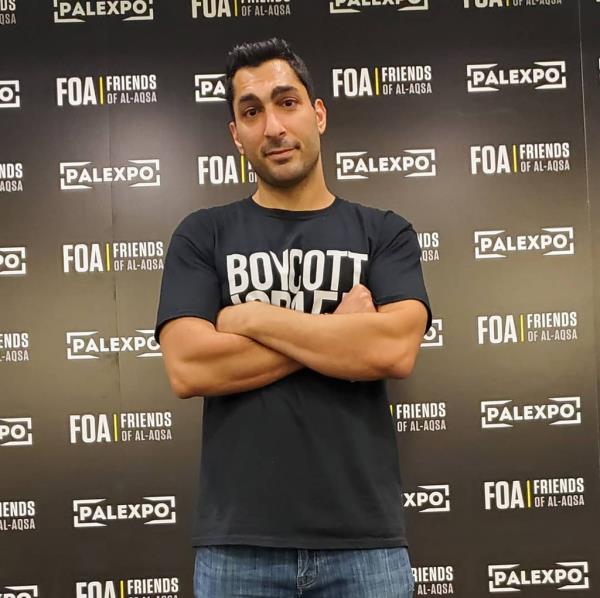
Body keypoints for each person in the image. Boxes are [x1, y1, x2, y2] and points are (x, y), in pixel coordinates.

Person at [154, 37, 432, 598]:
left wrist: (251, 316)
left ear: (318, 112)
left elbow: (391, 352)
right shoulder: (202, 235)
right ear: (235, 134)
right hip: (238, 547)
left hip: (365, 546)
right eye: (251, 111)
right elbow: (189, 367)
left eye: (287, 102)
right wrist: (339, 330)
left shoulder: (384, 232)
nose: (272, 127)